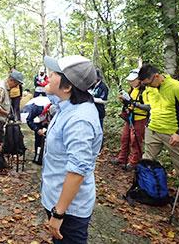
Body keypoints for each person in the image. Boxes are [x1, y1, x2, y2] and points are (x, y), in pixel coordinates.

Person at [42, 55, 102, 244]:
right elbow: (50, 91)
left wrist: (58, 214)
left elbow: (77, 172)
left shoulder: (79, 120)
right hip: (56, 198)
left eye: (55, 73)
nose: (49, 76)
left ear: (67, 87)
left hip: (69, 210)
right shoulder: (68, 103)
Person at [138, 63, 179, 207]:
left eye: (149, 83)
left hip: (172, 133)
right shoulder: (150, 88)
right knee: (146, 161)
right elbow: (151, 107)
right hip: (153, 130)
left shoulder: (176, 87)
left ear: (156, 76)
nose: (148, 86)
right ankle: (147, 191)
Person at [111, 69, 150, 170]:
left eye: (133, 80)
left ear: (140, 80)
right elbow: (129, 104)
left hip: (140, 119)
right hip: (130, 118)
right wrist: (125, 101)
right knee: (125, 138)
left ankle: (134, 162)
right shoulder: (132, 90)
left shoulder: (145, 92)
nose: (131, 82)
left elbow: (149, 107)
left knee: (135, 141)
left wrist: (133, 103)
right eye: (130, 80)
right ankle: (122, 159)